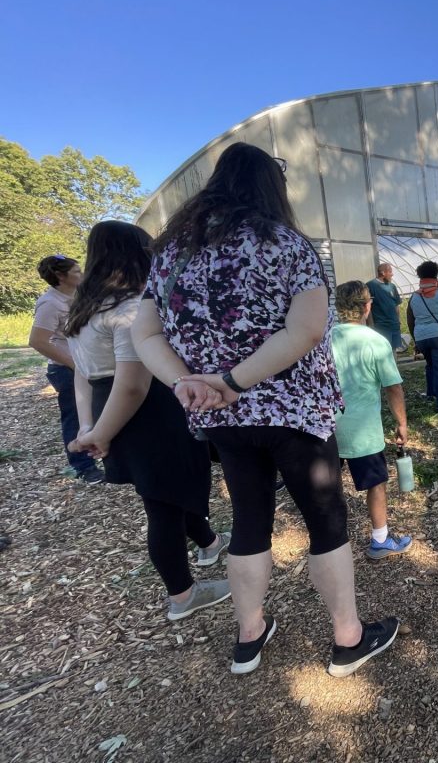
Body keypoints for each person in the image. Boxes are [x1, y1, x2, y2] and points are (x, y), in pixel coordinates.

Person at [132, 142, 399, 676]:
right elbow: (303, 331)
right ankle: (347, 638)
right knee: (324, 521)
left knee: (249, 519)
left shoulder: (172, 253)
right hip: (293, 410)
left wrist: (188, 384)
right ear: (271, 188)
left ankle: (248, 637)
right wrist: (232, 380)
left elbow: (145, 332)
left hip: (223, 420)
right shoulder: (286, 245)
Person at [64, 221, 230, 621]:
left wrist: (90, 427)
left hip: (110, 410)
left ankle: (208, 543)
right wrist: (100, 434)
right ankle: (183, 595)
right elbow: (133, 386)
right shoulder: (130, 309)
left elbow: (82, 375)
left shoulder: (83, 309)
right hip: (148, 413)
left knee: (167, 492)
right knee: (163, 507)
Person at [330, 280, 413, 559]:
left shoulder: (320, 340)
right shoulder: (376, 342)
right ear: (368, 306)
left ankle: (330, 543)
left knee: (327, 487)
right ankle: (380, 539)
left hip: (325, 429)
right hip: (362, 432)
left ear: (339, 307)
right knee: (375, 484)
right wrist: (401, 423)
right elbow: (393, 387)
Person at [29, 255, 104, 483]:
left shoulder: (79, 295)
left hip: (87, 365)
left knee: (97, 410)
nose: (82, 274)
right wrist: (72, 364)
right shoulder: (50, 303)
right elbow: (38, 341)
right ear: (61, 277)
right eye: (76, 271)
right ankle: (83, 467)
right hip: (66, 369)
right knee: (75, 416)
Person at [406, 260, 438, 414]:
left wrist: (417, 340)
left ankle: (430, 394)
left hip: (421, 337)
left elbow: (410, 321)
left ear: (420, 277)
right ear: (436, 275)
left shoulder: (413, 297)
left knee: (430, 365)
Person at [366, 263, 403, 353]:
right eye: (390, 271)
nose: (392, 274)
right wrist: (371, 325)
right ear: (383, 273)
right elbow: (368, 307)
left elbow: (396, 305)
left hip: (394, 325)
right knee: (383, 351)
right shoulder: (370, 286)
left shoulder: (392, 286)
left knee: (393, 350)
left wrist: (398, 320)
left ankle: (394, 367)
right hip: (381, 326)